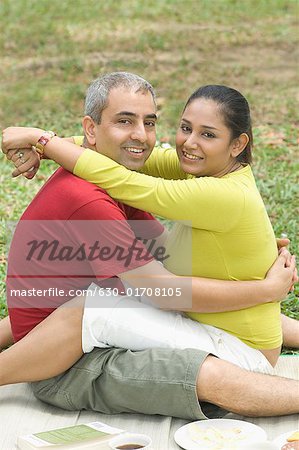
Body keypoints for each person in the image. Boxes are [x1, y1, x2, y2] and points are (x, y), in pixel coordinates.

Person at [1, 73, 298, 420]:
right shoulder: (94, 195)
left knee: (112, 302)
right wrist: (264, 288)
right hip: (65, 365)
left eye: (150, 122)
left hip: (226, 346)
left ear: (237, 144)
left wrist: (40, 140)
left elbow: (163, 277)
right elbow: (161, 286)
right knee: (101, 306)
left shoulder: (140, 181)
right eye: (125, 121)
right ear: (91, 129)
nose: (141, 135)